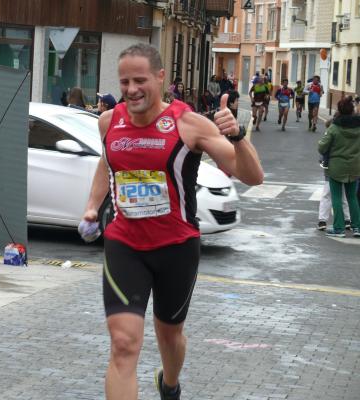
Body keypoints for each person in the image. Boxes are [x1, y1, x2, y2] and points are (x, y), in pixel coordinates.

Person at [80, 44, 263, 400]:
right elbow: (108, 162)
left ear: (160, 78)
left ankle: (170, 384)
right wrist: (92, 205)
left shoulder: (189, 124)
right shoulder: (109, 121)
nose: (131, 89)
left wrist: (237, 137)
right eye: (124, 81)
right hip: (125, 245)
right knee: (123, 343)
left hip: (176, 248)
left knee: (170, 335)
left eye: (140, 80)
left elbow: (252, 176)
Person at [318, 96, 360, 237]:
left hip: (336, 167)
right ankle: (357, 227)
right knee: (352, 197)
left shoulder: (334, 128)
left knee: (336, 197)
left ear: (340, 111)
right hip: (355, 167)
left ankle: (339, 228)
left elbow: (322, 147)